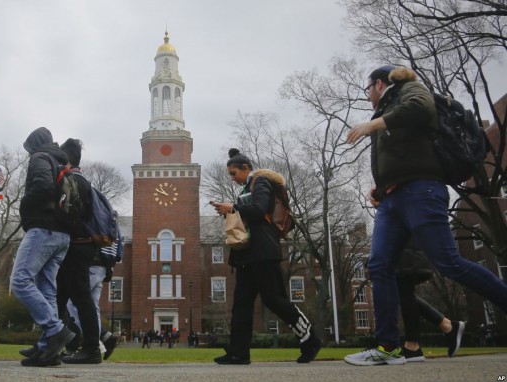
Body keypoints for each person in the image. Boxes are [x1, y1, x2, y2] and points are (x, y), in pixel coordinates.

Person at [344, 65, 507, 366]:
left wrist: (375, 124)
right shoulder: (389, 108)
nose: (368, 96)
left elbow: (421, 109)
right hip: (392, 198)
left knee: (449, 262)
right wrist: (379, 187)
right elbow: (402, 154)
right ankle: (387, 347)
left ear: (379, 84)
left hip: (421, 191)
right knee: (379, 266)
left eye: (368, 89)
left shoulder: (410, 91)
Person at [210, 148, 322, 365]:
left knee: (274, 300)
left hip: (263, 253)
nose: (232, 179)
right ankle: (238, 353)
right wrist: (231, 209)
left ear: (246, 168)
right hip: (246, 256)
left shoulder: (260, 182)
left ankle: (310, 339)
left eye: (234, 174)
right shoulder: (247, 186)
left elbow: (260, 210)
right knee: (241, 304)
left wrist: (232, 207)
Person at [10, 127, 76, 367]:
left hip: (43, 229)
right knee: (47, 289)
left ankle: (55, 330)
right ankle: (48, 349)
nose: (28, 154)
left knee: (20, 281)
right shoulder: (61, 162)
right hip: (62, 235)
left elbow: (42, 187)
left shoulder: (40, 157)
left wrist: (24, 206)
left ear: (33, 145)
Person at [49, 138, 103, 364]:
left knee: (80, 297)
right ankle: (50, 344)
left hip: (76, 246)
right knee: (61, 296)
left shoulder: (71, 181)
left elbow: (68, 215)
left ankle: (91, 348)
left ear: (66, 160)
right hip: (83, 246)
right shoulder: (84, 182)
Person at [392, 243, 465, 361]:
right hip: (405, 251)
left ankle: (413, 346)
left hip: (405, 251)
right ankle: (447, 325)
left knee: (404, 292)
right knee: (402, 293)